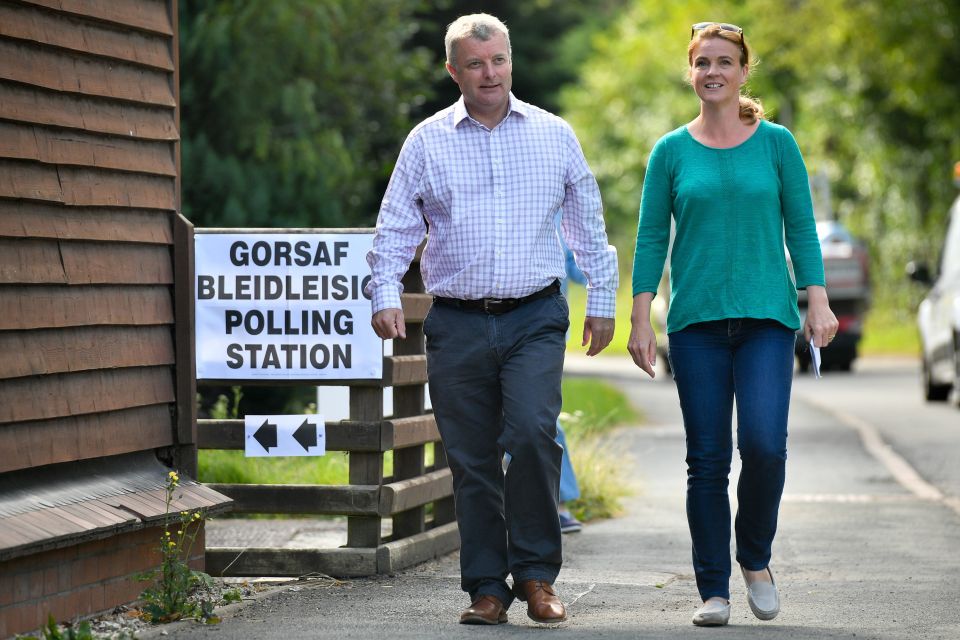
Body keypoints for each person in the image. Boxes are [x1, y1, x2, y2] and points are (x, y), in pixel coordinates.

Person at [365, 13, 618, 626]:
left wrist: (604, 299)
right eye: (475, 64)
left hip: (534, 315)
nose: (490, 73)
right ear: (454, 71)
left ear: (511, 61)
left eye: (498, 60)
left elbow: (587, 221)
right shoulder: (426, 141)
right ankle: (485, 585)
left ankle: (535, 577)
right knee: (472, 457)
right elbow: (396, 224)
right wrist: (385, 292)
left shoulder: (554, 134)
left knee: (533, 433)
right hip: (455, 321)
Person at [627, 23, 838, 627]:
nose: (713, 72)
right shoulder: (670, 152)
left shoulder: (777, 144)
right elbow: (649, 239)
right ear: (690, 72)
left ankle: (755, 558)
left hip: (767, 319)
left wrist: (816, 301)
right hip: (694, 323)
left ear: (745, 71)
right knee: (708, 459)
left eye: (725, 62)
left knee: (766, 447)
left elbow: (801, 227)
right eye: (703, 63)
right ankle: (713, 590)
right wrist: (642, 318)